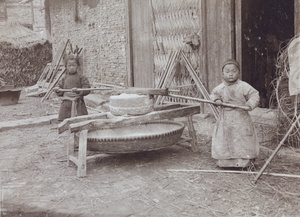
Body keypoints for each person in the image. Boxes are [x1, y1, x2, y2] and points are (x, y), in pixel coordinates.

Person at [209, 59, 260, 168]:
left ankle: (244, 163)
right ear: (223, 73)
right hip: (225, 119)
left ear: (239, 72)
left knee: (243, 139)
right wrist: (217, 100)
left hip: (241, 118)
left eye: (233, 71)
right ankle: (226, 163)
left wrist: (249, 104)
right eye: (227, 72)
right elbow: (213, 95)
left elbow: (254, 95)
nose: (230, 74)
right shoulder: (220, 87)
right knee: (225, 139)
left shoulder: (244, 86)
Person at [55, 54, 91, 121]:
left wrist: (79, 90)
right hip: (66, 103)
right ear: (66, 66)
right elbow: (60, 89)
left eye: (73, 65)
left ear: (77, 66)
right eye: (69, 65)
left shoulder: (82, 77)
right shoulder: (64, 78)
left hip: (78, 103)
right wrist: (57, 90)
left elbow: (87, 88)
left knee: (81, 121)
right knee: (64, 121)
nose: (71, 67)